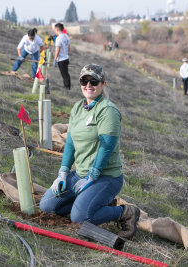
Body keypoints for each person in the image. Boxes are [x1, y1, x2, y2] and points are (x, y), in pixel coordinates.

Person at [40, 64, 141, 240]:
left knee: (80, 217)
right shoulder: (77, 108)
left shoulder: (108, 111)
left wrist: (92, 176)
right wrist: (63, 173)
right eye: (84, 80)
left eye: (93, 81)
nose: (88, 85)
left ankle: (125, 212)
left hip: (105, 177)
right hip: (79, 175)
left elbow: (107, 146)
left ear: (103, 84)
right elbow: (70, 143)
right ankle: (90, 202)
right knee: (47, 205)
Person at [53, 23, 71, 89]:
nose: (54, 31)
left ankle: (67, 88)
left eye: (54, 29)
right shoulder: (66, 37)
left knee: (65, 75)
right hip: (66, 58)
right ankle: (66, 87)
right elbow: (69, 48)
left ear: (57, 29)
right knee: (66, 74)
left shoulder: (59, 38)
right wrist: (67, 55)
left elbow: (57, 50)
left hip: (61, 59)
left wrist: (55, 59)